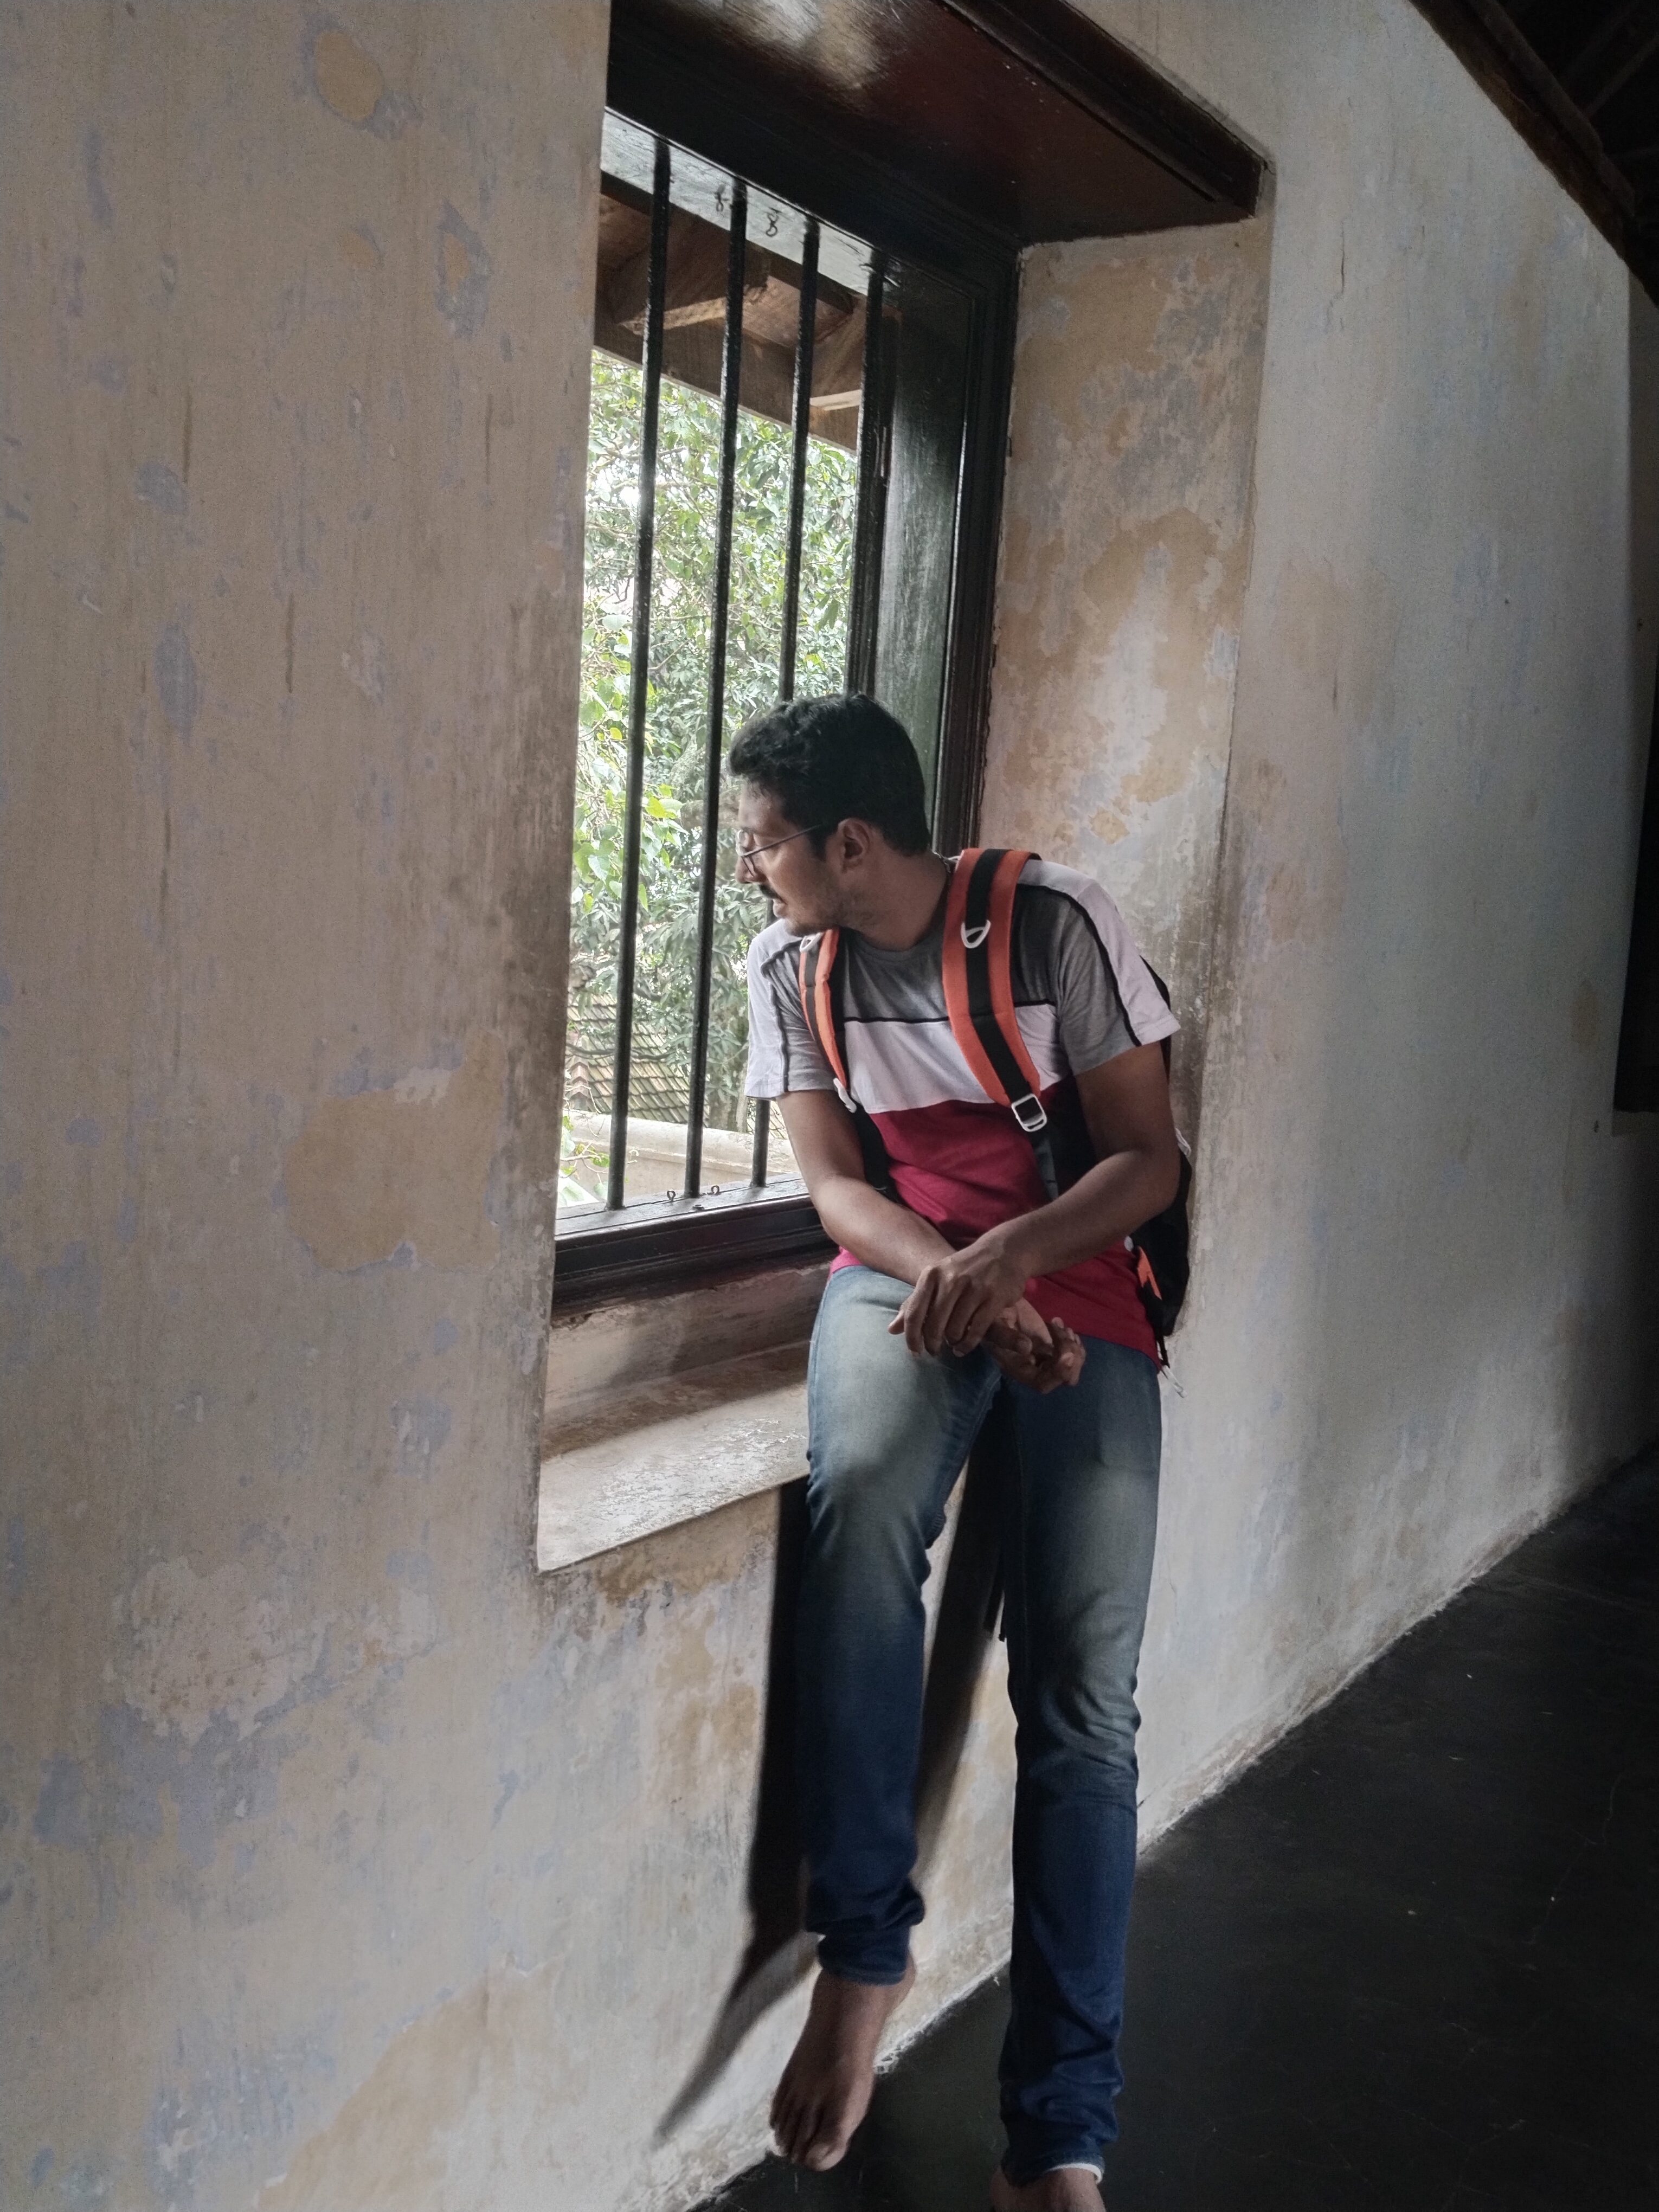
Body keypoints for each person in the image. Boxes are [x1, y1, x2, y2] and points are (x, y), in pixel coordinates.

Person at [730, 693, 1182, 2211]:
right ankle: (863, 1951)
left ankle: (1057, 2135)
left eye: (767, 843)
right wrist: (964, 1287)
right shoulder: (789, 969)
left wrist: (1019, 1268)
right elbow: (836, 1192)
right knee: (859, 1509)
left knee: (1084, 1699)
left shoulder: (1056, 925)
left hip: (1075, 1269)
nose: (752, 870)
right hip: (906, 1273)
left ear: (851, 843)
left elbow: (1147, 1158)